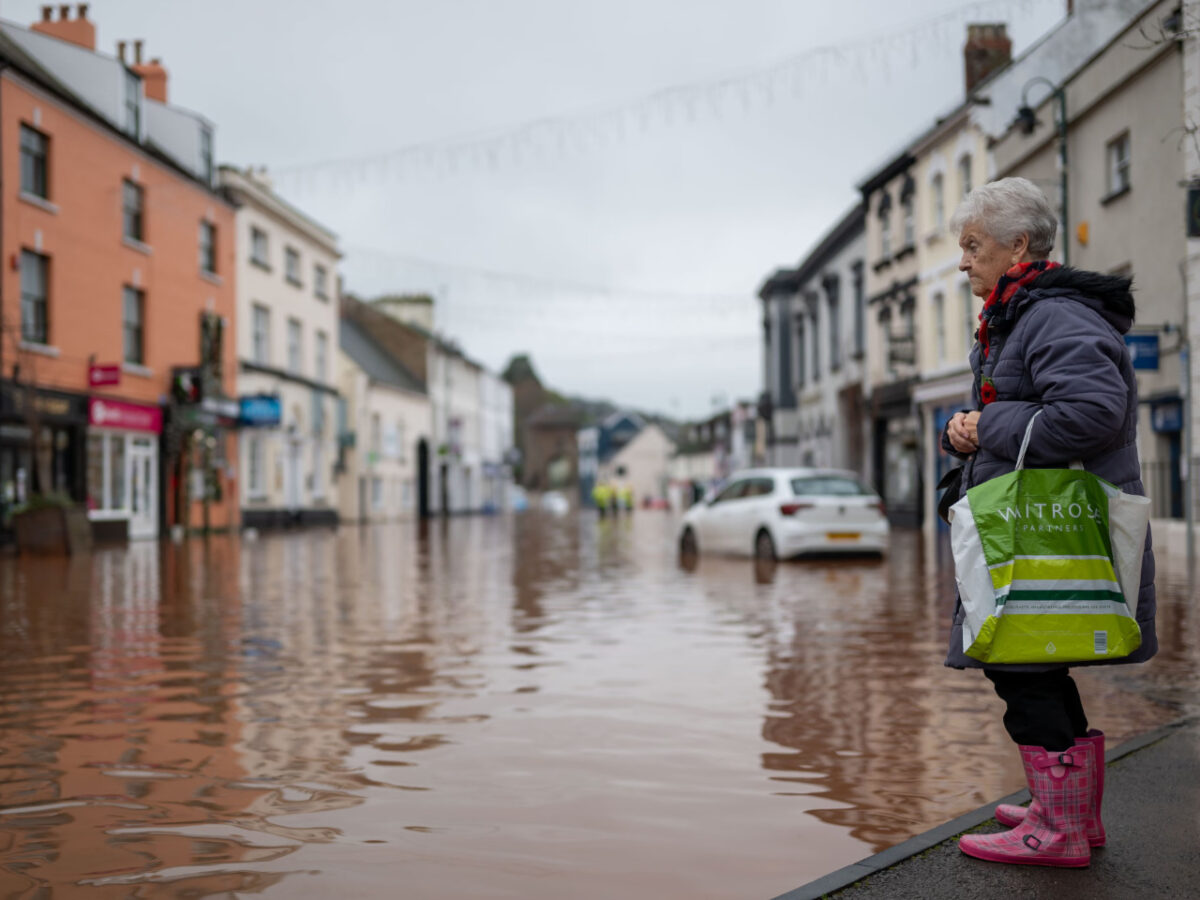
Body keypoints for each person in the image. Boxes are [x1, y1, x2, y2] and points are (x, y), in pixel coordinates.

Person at [941, 177, 1156, 868]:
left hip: (1046, 537)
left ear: (1019, 246)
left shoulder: (1050, 316)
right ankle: (1066, 812)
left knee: (1019, 664)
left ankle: (1058, 831)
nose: (963, 261)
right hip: (1036, 535)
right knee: (1036, 662)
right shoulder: (1021, 314)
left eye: (974, 246)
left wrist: (986, 426)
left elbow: (1092, 413)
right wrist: (968, 434)